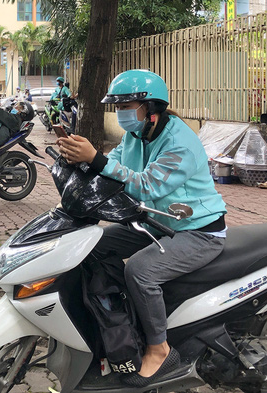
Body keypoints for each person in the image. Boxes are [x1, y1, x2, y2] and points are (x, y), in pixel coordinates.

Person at [57, 69, 227, 387]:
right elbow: (113, 166)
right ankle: (118, 323)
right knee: (93, 246)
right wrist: (78, 160)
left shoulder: (180, 143)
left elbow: (147, 186)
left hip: (197, 230)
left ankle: (159, 348)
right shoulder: (136, 136)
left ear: (150, 108)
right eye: (118, 107)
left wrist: (95, 158)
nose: (121, 113)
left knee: (140, 270)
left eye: (127, 106)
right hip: (158, 222)